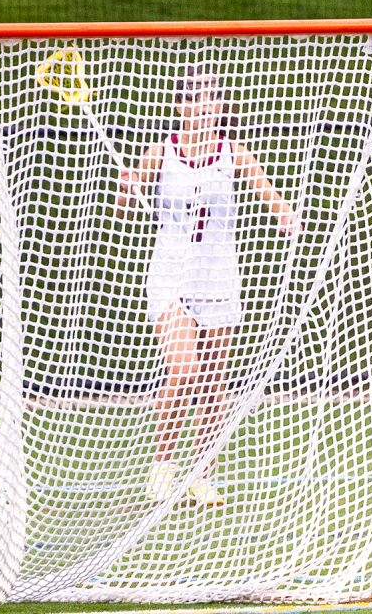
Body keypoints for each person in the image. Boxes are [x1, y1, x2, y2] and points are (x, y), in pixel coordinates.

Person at [119, 66, 298, 507]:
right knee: (184, 371)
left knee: (214, 386)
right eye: (195, 97)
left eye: (211, 97)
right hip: (171, 275)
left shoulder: (232, 152)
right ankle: (162, 469)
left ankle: (202, 475)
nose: (204, 105)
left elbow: (273, 199)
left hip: (217, 276)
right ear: (180, 105)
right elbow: (125, 209)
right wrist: (126, 191)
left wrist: (286, 216)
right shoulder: (159, 153)